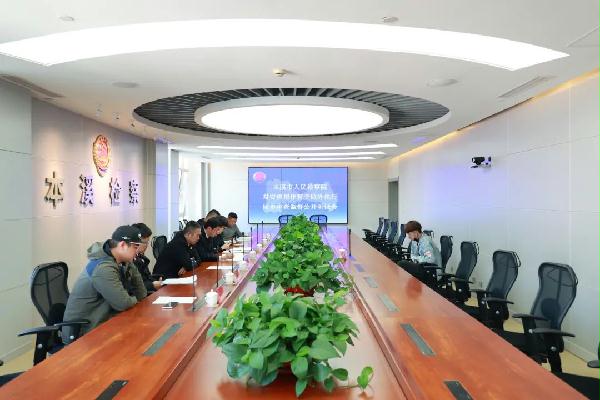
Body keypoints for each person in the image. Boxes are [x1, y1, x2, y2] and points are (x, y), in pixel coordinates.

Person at [62, 225, 147, 342]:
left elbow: (142, 293)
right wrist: (133, 299)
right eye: (135, 247)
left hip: (104, 321)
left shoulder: (121, 261)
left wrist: (130, 264)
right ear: (122, 245)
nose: (138, 251)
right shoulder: (103, 268)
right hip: (83, 333)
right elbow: (123, 303)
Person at [131, 223, 163, 293]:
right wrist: (152, 285)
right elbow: (132, 287)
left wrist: (157, 280)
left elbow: (147, 277)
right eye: (144, 242)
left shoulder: (140, 257)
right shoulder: (127, 261)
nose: (147, 245)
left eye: (147, 242)